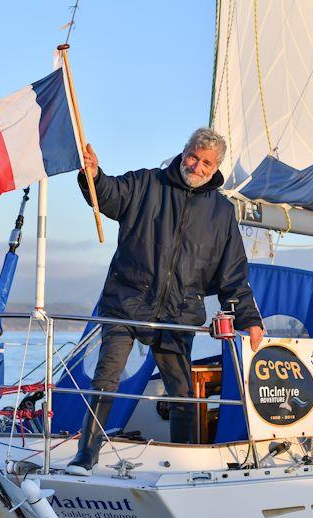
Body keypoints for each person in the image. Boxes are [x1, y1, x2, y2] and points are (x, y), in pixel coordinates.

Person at [66, 128, 264, 476]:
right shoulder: (147, 184)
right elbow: (110, 195)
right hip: (127, 302)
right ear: (183, 151)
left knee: (183, 391)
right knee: (106, 378)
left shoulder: (221, 213)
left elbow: (232, 273)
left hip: (178, 312)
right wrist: (94, 175)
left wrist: (249, 318)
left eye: (206, 162)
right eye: (193, 156)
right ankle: (86, 454)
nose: (197, 165)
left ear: (215, 166)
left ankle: (185, 460)